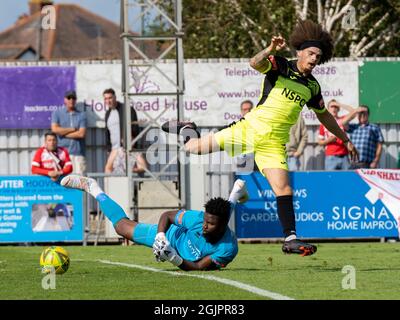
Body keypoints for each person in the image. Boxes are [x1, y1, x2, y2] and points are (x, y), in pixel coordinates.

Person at [161, 20, 359, 256]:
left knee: (283, 188)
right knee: (193, 148)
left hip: (274, 143)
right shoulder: (282, 66)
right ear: (300, 52)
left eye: (318, 55)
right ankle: (188, 128)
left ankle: (290, 239)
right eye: (311, 53)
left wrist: (345, 139)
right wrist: (270, 49)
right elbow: (254, 63)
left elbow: (324, 116)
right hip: (249, 129)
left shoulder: (312, 87)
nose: (315, 58)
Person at [61, 174, 249, 271]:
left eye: (211, 224)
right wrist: (160, 237)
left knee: (221, 217)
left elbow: (199, 267)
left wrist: (173, 257)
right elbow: (167, 215)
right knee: (120, 227)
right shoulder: (198, 218)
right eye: (205, 221)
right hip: (170, 235)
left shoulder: (228, 249)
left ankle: (234, 195)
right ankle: (93, 188)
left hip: (181, 251)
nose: (205, 226)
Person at [103, 88, 148, 174]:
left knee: (139, 168)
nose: (108, 101)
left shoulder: (127, 109)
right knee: (108, 171)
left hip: (128, 148)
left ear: (115, 97)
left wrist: (130, 140)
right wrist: (109, 149)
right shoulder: (108, 113)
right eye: (106, 99)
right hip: (114, 150)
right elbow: (107, 133)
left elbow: (135, 127)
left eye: (110, 98)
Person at [51, 90, 87, 175]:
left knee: (80, 181)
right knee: (63, 180)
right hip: (62, 154)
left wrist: (63, 133)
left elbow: (81, 134)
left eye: (73, 98)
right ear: (65, 100)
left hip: (78, 153)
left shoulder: (82, 115)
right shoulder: (57, 113)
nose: (71, 100)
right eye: (69, 98)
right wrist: (73, 129)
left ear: (76, 100)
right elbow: (55, 129)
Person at [318, 100, 357, 170]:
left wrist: (340, 104)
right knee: (330, 179)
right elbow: (320, 142)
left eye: (336, 107)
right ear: (328, 109)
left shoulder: (342, 120)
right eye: (332, 106)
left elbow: (354, 112)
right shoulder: (324, 123)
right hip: (331, 156)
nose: (334, 108)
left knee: (345, 179)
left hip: (344, 155)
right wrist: (328, 140)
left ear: (338, 109)